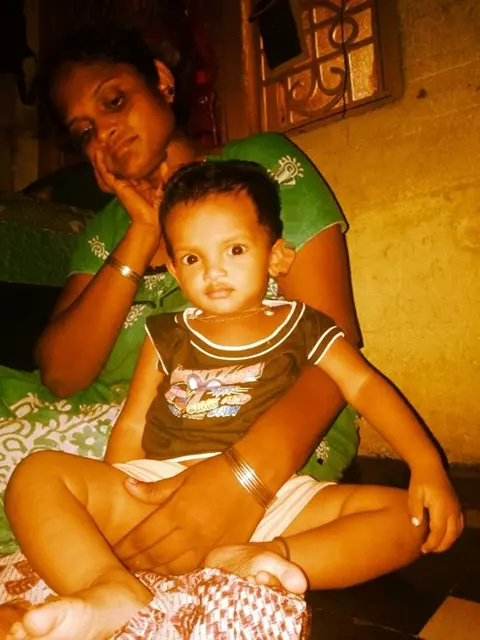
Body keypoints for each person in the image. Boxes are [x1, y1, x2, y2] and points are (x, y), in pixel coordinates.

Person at [4, 160, 462, 640]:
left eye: (235, 249)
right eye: (192, 259)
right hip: (159, 483)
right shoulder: (165, 334)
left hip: (274, 499)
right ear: (174, 271)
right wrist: (116, 493)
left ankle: (263, 558)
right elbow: (134, 422)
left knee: (410, 520)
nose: (214, 271)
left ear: (276, 256)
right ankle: (110, 588)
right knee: (33, 475)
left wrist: (425, 464)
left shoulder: (304, 325)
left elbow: (363, 386)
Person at [0, 24, 361, 561]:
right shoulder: (106, 230)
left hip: (243, 422)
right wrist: (144, 228)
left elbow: (333, 341)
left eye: (114, 101)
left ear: (162, 82)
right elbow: (61, 374)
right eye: (84, 132)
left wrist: (245, 476)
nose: (105, 134)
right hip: (109, 427)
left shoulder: (258, 170)